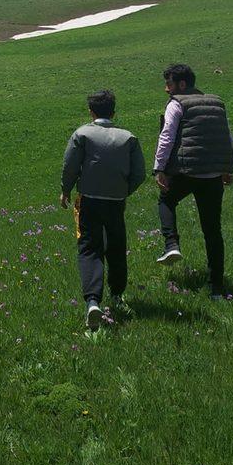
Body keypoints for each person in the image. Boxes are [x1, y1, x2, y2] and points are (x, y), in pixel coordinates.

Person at [60, 90, 146, 330]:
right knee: (117, 245)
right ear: (114, 111)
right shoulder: (129, 137)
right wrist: (123, 191)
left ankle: (93, 302)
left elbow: (70, 165)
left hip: (89, 199)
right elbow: (139, 173)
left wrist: (66, 190)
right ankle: (117, 295)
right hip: (116, 201)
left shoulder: (83, 133)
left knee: (89, 248)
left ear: (91, 111)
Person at [153, 63, 233, 299]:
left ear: (181, 84)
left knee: (166, 201)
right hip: (213, 176)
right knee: (212, 231)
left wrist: (159, 168)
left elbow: (167, 136)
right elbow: (227, 137)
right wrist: (228, 168)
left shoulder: (176, 104)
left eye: (168, 84)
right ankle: (217, 289)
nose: (166, 89)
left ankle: (171, 245)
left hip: (187, 171)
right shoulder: (217, 102)